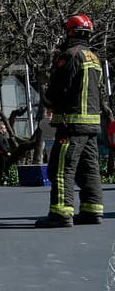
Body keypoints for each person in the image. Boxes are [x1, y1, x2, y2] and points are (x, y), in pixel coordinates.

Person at [36, 13, 105, 227]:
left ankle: (61, 213)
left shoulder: (70, 55)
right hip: (91, 124)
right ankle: (92, 211)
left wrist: (48, 101)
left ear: (70, 32)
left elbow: (57, 88)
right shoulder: (95, 59)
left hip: (72, 124)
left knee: (60, 168)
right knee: (89, 168)